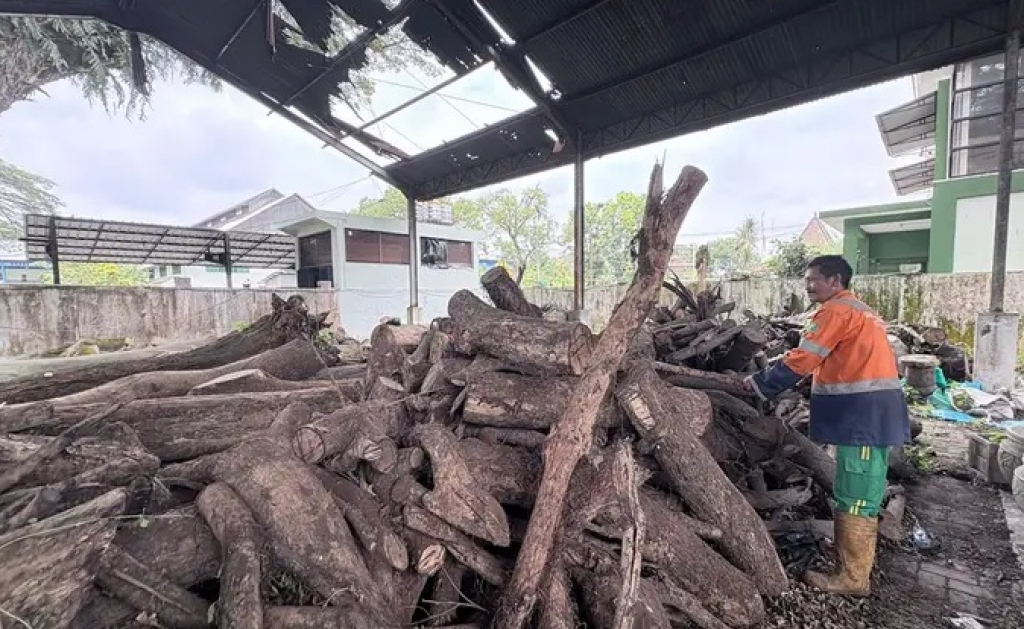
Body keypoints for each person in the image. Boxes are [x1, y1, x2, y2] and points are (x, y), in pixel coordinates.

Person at [743, 255, 909, 597]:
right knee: (861, 488)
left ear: (834, 281)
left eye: (812, 279)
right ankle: (855, 571)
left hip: (862, 415)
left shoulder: (835, 311)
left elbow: (805, 358)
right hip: (869, 412)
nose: (807, 285)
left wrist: (759, 383)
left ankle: (852, 579)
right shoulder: (860, 310)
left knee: (857, 492)